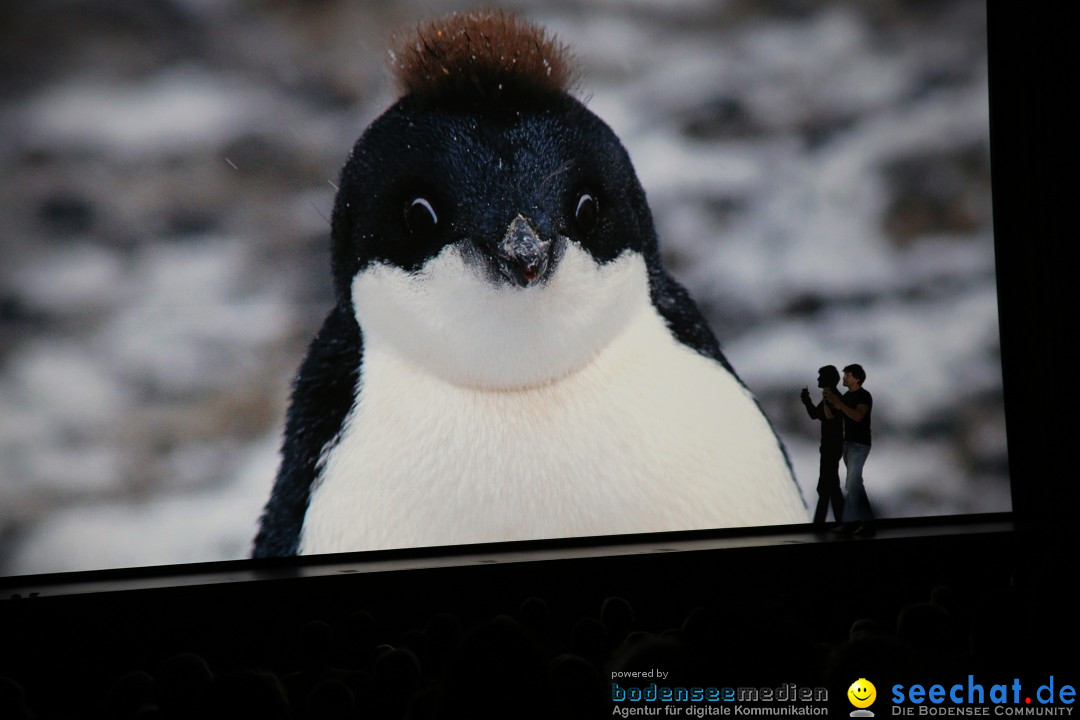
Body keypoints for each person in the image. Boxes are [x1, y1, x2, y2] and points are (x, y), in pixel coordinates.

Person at [825, 364, 874, 531]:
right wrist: (829, 402)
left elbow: (858, 416)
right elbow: (833, 415)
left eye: (847, 375)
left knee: (853, 483)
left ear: (857, 378)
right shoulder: (846, 396)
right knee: (853, 484)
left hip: (859, 444)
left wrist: (840, 404)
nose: (844, 378)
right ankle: (859, 522)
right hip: (847, 444)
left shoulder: (864, 396)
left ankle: (857, 523)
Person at [800, 366, 844, 525]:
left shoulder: (834, 398)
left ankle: (829, 523)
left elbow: (829, 416)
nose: (818, 379)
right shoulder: (829, 397)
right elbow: (815, 415)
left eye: (821, 377)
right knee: (827, 489)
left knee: (829, 489)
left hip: (832, 448)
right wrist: (807, 401)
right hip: (828, 448)